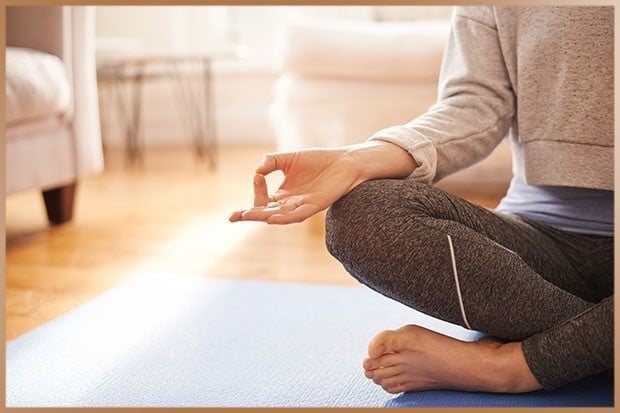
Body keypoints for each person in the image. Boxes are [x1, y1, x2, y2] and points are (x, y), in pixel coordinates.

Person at [229, 6, 613, 394]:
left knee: (523, 358)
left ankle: (510, 367)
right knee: (362, 216)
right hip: (540, 250)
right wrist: (358, 160)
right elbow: (475, 103)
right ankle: (593, 342)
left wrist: (515, 366)